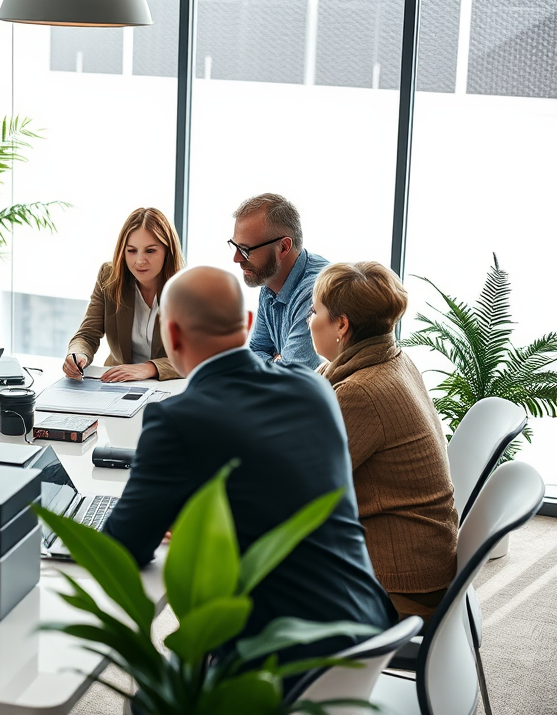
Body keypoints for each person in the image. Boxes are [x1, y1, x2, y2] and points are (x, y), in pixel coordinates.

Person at [103, 266, 394, 661]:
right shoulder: (313, 387)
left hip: (275, 661)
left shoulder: (176, 419)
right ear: (248, 323)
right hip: (364, 634)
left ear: (171, 335)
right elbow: (271, 484)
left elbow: (122, 548)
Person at [309, 261, 458, 621]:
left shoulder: (361, 393)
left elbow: (299, 487)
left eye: (315, 311)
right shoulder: (391, 359)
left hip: (400, 588)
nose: (308, 319)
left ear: (341, 325)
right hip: (416, 559)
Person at [64, 208, 185, 383]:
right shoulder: (109, 276)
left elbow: (198, 354)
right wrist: (77, 354)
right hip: (116, 385)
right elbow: (87, 335)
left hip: (168, 386)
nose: (139, 261)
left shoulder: (187, 288)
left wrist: (149, 368)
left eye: (150, 251)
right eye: (131, 251)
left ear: (168, 251)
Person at [229, 193, 328, 368]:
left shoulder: (316, 291)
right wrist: (278, 361)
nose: (236, 258)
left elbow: (294, 377)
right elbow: (255, 351)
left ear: (283, 247)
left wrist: (276, 362)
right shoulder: (269, 279)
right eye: (235, 246)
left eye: (245, 250)